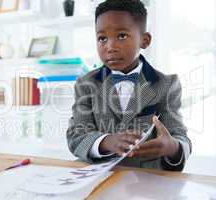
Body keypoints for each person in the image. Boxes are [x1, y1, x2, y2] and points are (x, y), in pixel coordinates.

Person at [66, 0, 191, 171]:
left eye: (122, 36)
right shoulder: (86, 84)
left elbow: (179, 136)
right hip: (99, 177)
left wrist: (173, 147)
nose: (110, 47)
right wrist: (106, 141)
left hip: (147, 182)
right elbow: (76, 136)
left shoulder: (166, 84)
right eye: (102, 38)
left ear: (145, 40)